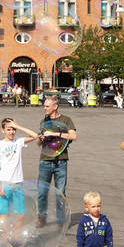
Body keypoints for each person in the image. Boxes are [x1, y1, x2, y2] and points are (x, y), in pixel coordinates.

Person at [35, 94, 77, 228]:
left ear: (55, 107)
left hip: (61, 161)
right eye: (44, 105)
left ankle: (60, 220)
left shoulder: (66, 120)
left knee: (60, 193)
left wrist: (55, 134)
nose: (44, 108)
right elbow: (38, 144)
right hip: (45, 161)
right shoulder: (43, 122)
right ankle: (41, 218)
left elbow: (73, 136)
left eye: (47, 106)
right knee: (42, 193)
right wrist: (40, 139)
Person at [0, 118, 36, 215]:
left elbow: (35, 136)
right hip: (4, 182)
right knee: (4, 212)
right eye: (8, 129)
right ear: (2, 130)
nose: (11, 132)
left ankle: (15, 230)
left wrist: (18, 126)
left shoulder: (18, 141)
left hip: (18, 182)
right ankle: (4, 229)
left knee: (20, 212)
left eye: (13, 129)